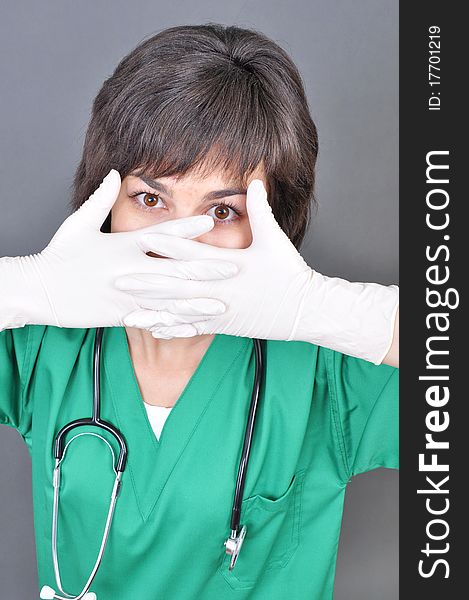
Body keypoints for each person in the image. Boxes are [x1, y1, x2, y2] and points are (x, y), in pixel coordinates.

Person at [0, 23, 398, 599]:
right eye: (149, 198)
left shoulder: (327, 372)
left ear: (274, 223)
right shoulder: (45, 345)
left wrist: (321, 307)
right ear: (103, 203)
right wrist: (25, 286)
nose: (176, 243)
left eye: (223, 212)